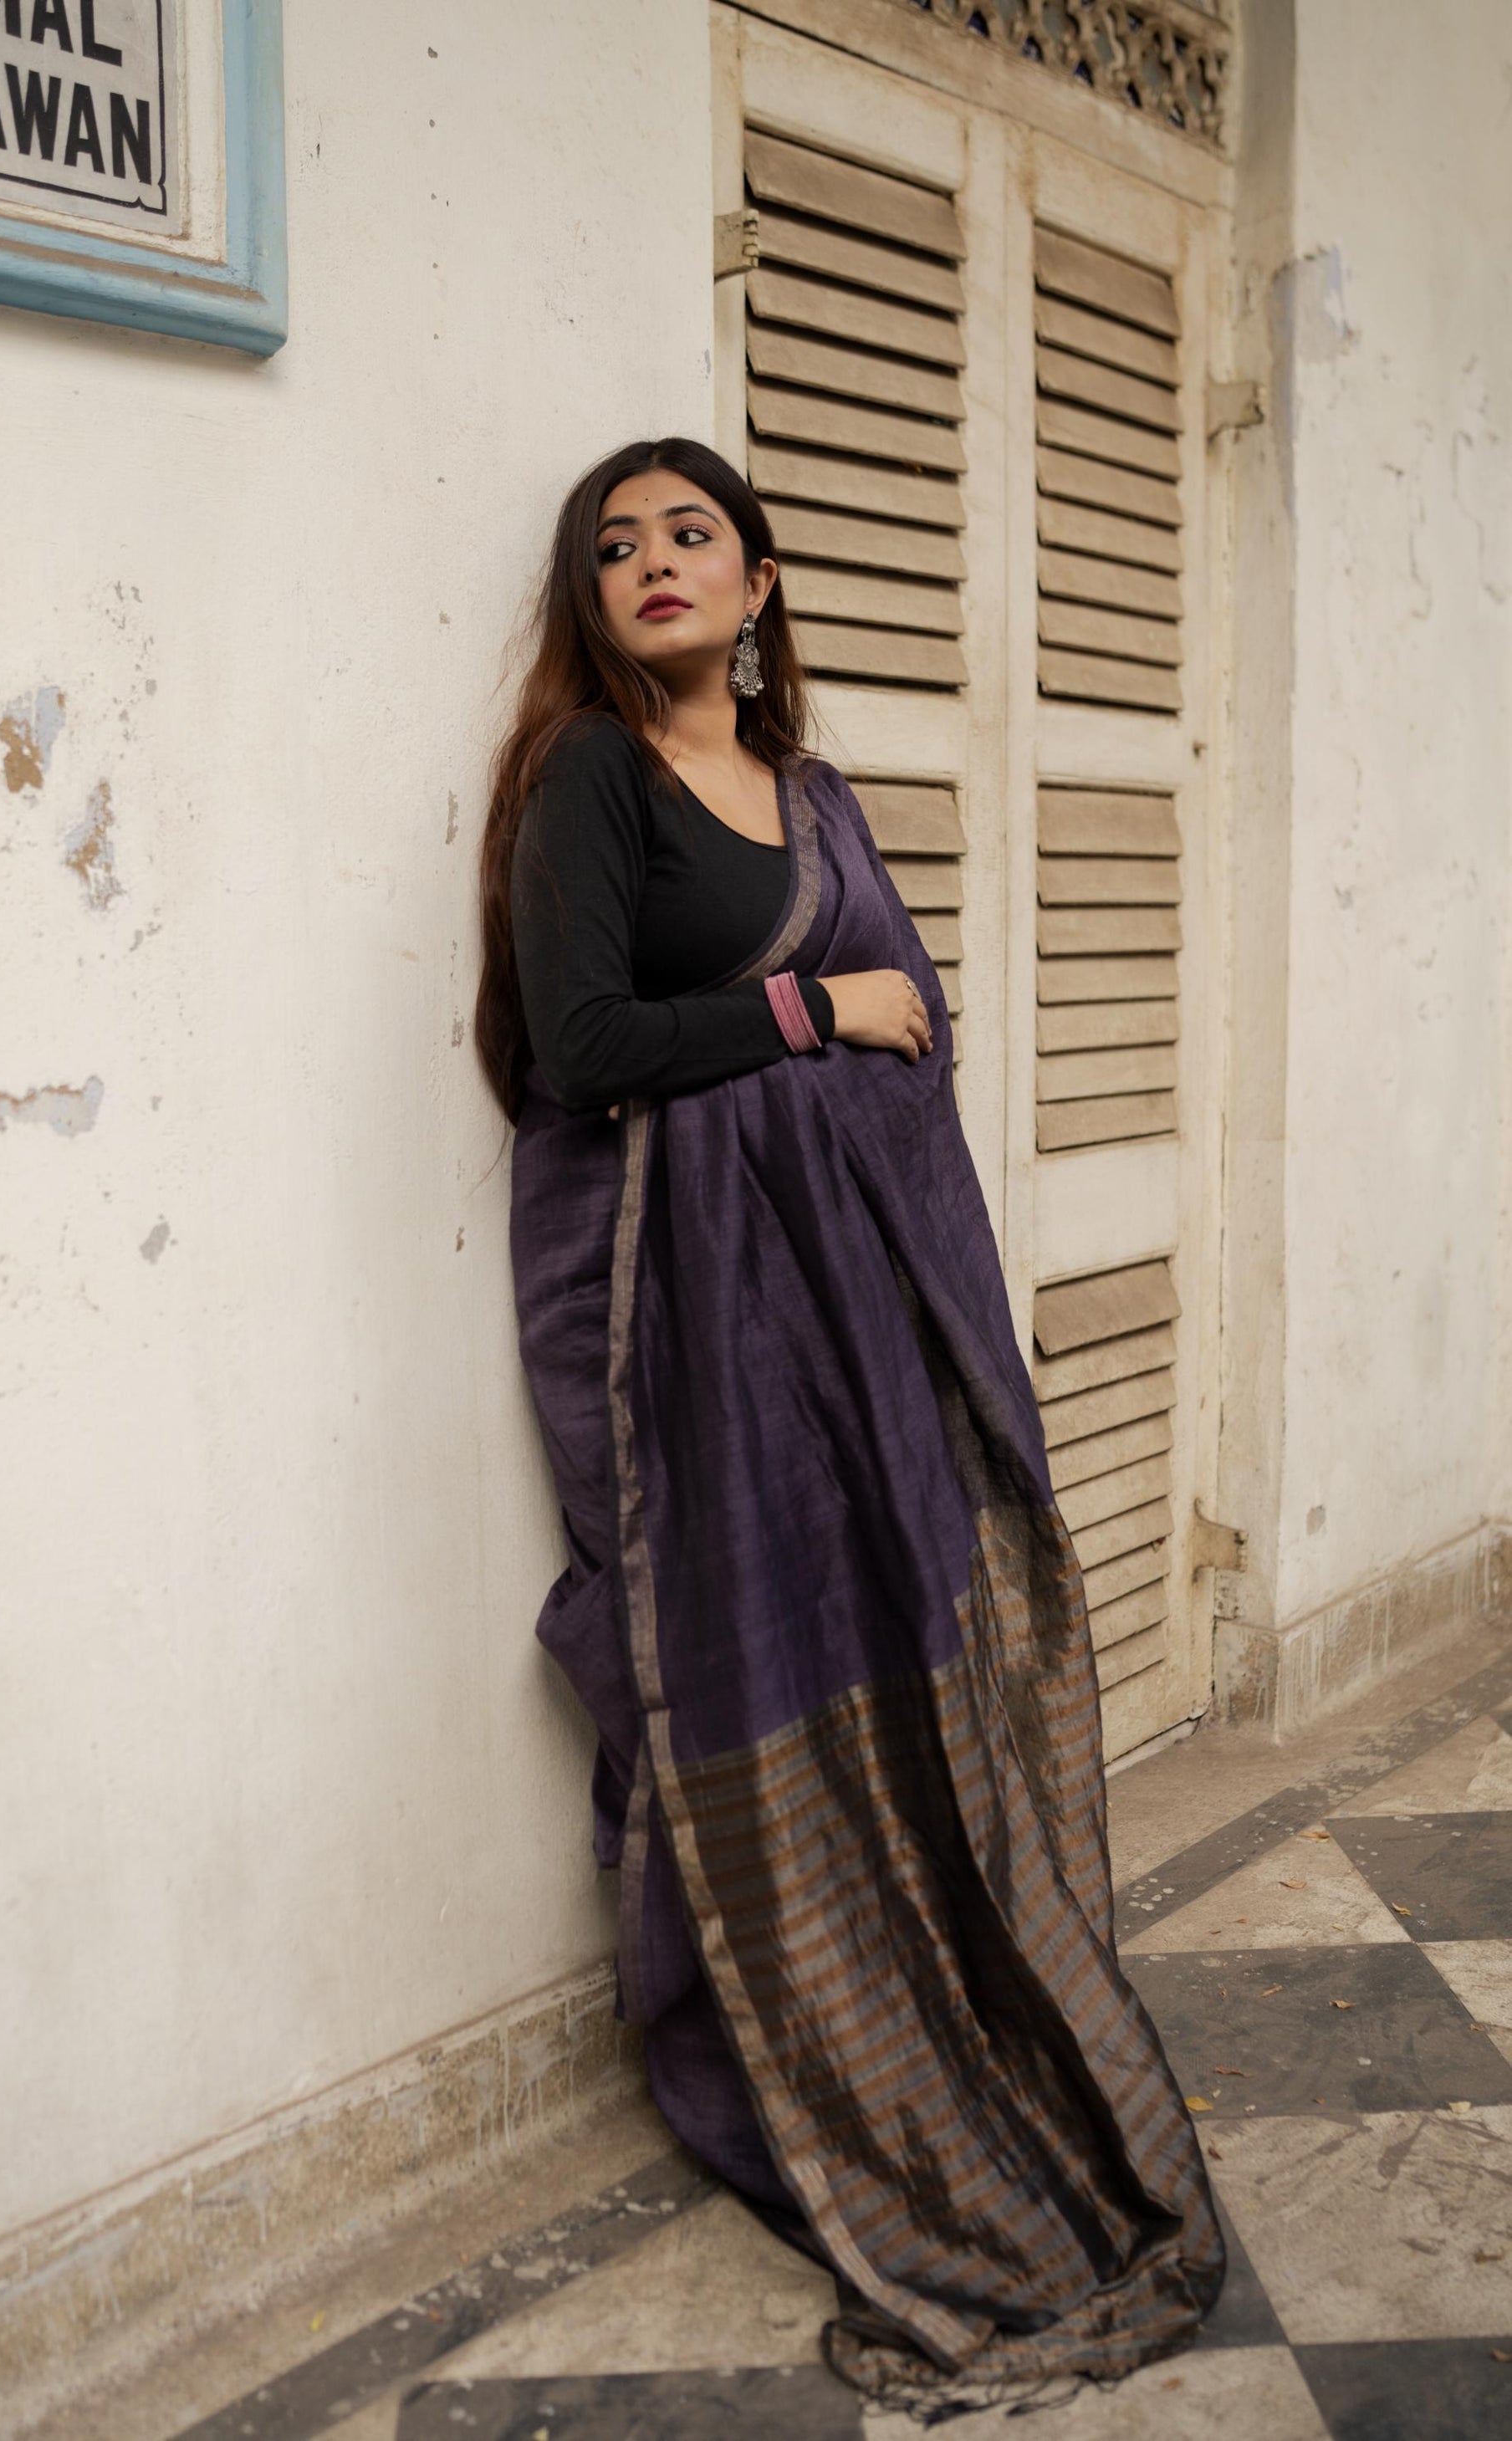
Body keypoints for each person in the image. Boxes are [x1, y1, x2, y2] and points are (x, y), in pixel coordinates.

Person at [474, 436, 1223, 2413]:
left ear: (760, 579)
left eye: (690, 532)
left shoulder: (808, 798)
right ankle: (815, 2061)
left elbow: (920, 1020)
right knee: (736, 1656)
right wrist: (813, 1017)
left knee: (902, 1630)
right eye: (614, 545)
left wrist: (855, 1048)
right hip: (693, 1323)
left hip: (848, 1313)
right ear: (589, 598)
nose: (653, 559)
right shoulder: (590, 778)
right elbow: (584, 1047)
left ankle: (967, 2021)